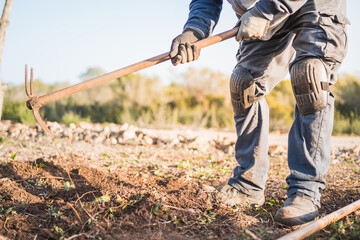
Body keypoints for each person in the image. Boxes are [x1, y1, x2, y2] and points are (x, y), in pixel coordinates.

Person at [169, 0, 348, 226]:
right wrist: (194, 30)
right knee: (244, 85)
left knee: (311, 78)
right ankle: (248, 185)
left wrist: (267, 9)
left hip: (312, 5)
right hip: (259, 13)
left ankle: (305, 190)